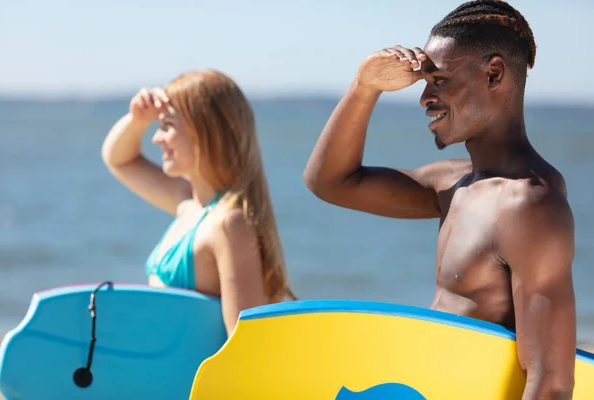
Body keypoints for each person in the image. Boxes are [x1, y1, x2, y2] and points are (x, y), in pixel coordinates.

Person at [303, 1, 576, 398]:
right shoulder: (455, 184)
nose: (424, 97)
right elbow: (330, 182)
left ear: (494, 73)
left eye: (440, 79)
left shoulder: (529, 205)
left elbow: (551, 383)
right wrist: (365, 87)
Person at [102, 69, 296, 335]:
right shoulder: (190, 204)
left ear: (205, 132)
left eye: (167, 126)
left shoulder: (229, 224)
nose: (156, 138)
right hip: (170, 375)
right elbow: (118, 159)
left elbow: (244, 341)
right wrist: (137, 119)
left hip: (193, 376)